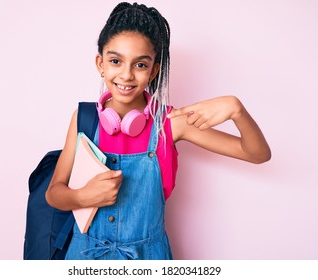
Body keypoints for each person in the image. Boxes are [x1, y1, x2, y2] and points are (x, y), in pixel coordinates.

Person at [45, 2, 271, 260]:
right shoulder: (84, 118)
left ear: (153, 70)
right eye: (116, 61)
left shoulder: (171, 122)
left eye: (140, 65)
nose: (126, 75)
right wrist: (83, 196)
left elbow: (257, 154)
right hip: (83, 256)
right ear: (101, 64)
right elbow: (54, 194)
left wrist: (236, 109)